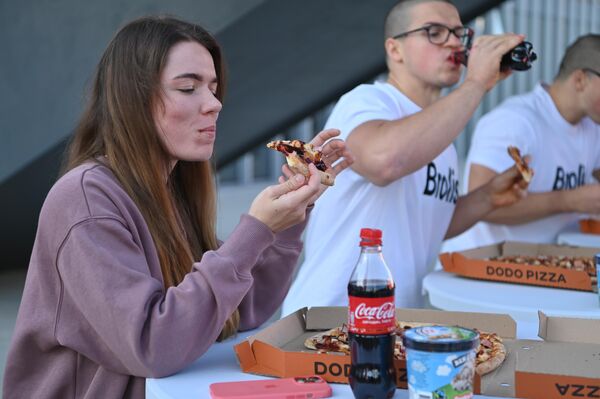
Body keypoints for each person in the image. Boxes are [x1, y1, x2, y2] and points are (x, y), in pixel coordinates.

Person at [2, 16, 353, 399]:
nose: (214, 104)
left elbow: (238, 313)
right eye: (188, 88)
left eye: (214, 88)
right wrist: (256, 230)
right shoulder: (85, 199)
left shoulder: (173, 191)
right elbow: (153, 346)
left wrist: (287, 216)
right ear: (133, 98)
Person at [282, 0, 529, 315]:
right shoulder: (366, 101)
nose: (454, 42)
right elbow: (384, 161)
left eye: (458, 33)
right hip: (330, 318)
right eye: (435, 32)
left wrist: (487, 198)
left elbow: (426, 225)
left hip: (391, 321)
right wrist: (477, 83)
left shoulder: (442, 137)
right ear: (395, 50)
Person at [446, 34, 600, 250]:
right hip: (481, 271)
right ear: (580, 80)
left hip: (544, 268)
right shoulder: (515, 121)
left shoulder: (592, 126)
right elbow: (481, 202)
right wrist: (569, 200)